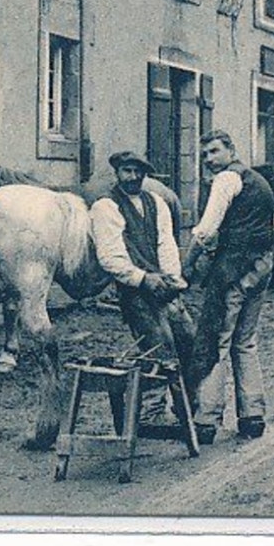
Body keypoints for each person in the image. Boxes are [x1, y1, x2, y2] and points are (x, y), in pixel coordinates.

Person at [89, 150, 195, 422]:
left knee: (188, 338)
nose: (133, 177)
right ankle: (150, 412)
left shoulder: (155, 202)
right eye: (127, 171)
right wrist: (142, 278)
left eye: (138, 172)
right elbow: (110, 257)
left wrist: (171, 278)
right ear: (117, 173)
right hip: (134, 290)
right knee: (159, 345)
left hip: (162, 285)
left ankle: (188, 406)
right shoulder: (106, 207)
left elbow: (166, 243)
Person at [188, 129, 274, 445]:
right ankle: (253, 416)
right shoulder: (259, 181)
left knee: (217, 339)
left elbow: (206, 231)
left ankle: (206, 420)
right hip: (262, 266)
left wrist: (188, 265)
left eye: (214, 151)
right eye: (204, 155)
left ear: (231, 150)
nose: (209, 160)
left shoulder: (226, 180)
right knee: (246, 340)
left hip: (234, 269)